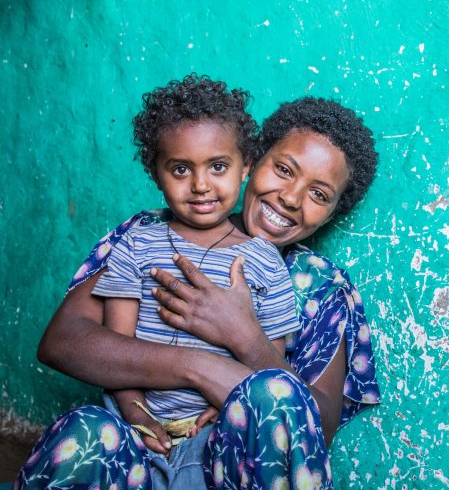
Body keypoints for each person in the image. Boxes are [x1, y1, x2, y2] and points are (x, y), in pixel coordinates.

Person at [16, 94, 381, 489]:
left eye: (318, 194)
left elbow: (316, 426)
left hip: (224, 466)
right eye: (283, 169)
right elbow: (62, 343)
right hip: (140, 448)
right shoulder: (149, 235)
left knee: (275, 394)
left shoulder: (324, 288)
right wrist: (200, 367)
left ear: (333, 212)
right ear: (253, 161)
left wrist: (243, 335)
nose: (290, 198)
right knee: (83, 431)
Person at [93, 74, 300, 452]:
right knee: (82, 431)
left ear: (245, 167)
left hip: (215, 431)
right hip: (133, 423)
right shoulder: (136, 245)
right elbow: (115, 350)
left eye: (218, 167)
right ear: (157, 174)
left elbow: (268, 366)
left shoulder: (264, 261)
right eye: (181, 170)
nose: (201, 185)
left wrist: (226, 407)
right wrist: (135, 414)